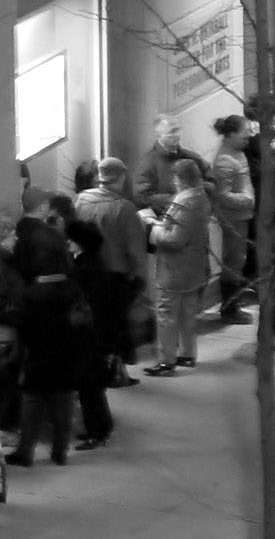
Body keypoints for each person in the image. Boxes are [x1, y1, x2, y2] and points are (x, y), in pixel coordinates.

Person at [12, 214, 95, 464]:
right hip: (67, 357)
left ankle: (24, 452)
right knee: (63, 405)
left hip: (38, 358)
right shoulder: (72, 288)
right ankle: (60, 451)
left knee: (32, 404)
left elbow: (24, 329)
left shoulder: (31, 294)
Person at [58, 207, 126, 447]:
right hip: (100, 337)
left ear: (80, 244)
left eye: (71, 240)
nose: (67, 243)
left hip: (88, 338)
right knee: (94, 386)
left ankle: (96, 431)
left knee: (89, 387)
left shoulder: (82, 272)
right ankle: (102, 426)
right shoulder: (97, 266)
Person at [71, 157, 148, 368]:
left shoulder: (80, 201)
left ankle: (94, 362)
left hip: (85, 271)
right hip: (116, 274)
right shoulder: (124, 208)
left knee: (93, 319)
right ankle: (114, 366)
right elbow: (135, 249)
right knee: (114, 322)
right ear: (122, 177)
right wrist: (140, 276)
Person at [146, 157, 215, 372]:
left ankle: (167, 360)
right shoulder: (202, 198)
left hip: (175, 269)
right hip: (193, 267)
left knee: (166, 315)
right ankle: (187, 354)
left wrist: (152, 229)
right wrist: (162, 224)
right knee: (188, 314)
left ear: (179, 179)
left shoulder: (184, 202)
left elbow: (175, 239)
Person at [207, 114, 260, 320]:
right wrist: (248, 200)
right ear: (230, 135)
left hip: (242, 216)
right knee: (234, 261)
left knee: (239, 259)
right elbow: (223, 195)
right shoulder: (225, 161)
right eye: (243, 133)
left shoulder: (238, 152)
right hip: (233, 218)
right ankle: (229, 308)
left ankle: (233, 304)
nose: (248, 136)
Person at [130, 112, 190, 212]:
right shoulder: (147, 163)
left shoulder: (190, 157)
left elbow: (209, 180)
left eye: (178, 130)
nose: (177, 135)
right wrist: (176, 200)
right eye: (172, 131)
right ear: (159, 136)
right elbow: (141, 197)